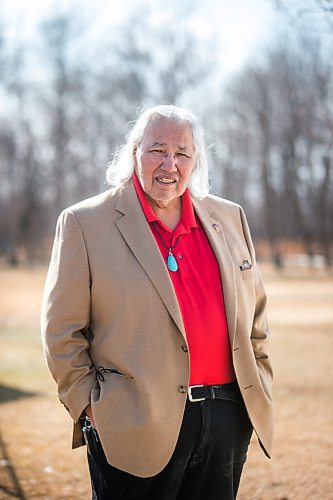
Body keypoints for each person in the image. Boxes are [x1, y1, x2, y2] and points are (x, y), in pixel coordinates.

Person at [41, 105, 273, 500]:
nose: (170, 164)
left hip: (226, 419)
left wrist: (258, 386)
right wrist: (94, 412)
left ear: (195, 161)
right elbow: (61, 332)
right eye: (157, 150)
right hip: (132, 424)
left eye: (183, 153)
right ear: (134, 152)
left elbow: (256, 318)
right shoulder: (85, 223)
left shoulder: (230, 217)